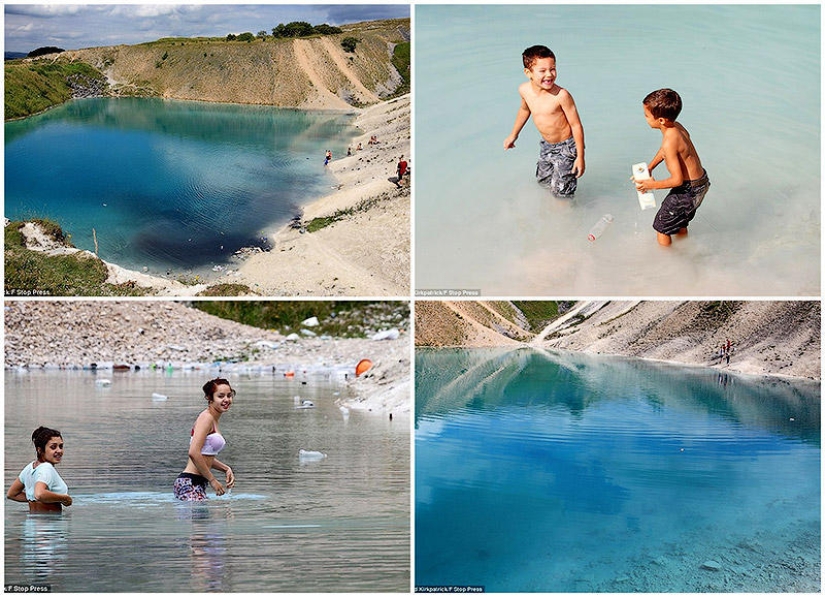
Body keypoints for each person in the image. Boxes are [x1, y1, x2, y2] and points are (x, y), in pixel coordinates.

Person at [503, 45, 585, 198]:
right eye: (542, 71)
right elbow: (524, 110)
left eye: (553, 69)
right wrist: (513, 135)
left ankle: (565, 215)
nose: (549, 74)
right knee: (543, 181)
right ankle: (548, 214)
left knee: (562, 192)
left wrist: (580, 157)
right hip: (546, 145)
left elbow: (576, 125)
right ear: (528, 73)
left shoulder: (561, 95)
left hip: (566, 147)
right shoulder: (524, 90)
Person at [634, 88, 710, 246]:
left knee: (662, 226)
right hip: (700, 184)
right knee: (680, 222)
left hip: (687, 190)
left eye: (646, 115)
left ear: (661, 120)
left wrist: (650, 185)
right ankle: (684, 248)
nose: (645, 118)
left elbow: (677, 180)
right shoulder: (676, 127)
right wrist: (650, 167)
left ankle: (667, 263)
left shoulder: (669, 141)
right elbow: (664, 151)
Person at [174, 378, 236, 501]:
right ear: (209, 398)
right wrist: (212, 480)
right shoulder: (206, 418)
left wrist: (226, 468)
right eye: (220, 396)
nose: (226, 400)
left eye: (229, 395)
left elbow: (204, 456)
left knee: (205, 520)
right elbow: (193, 453)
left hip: (196, 482)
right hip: (190, 482)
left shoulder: (212, 419)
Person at [7, 427, 73, 513]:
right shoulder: (47, 468)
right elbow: (40, 494)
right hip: (50, 523)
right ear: (40, 450)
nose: (59, 451)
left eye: (61, 446)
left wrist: (34, 500)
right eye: (53, 447)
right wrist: (65, 498)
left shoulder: (29, 468)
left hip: (32, 524)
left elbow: (12, 494)